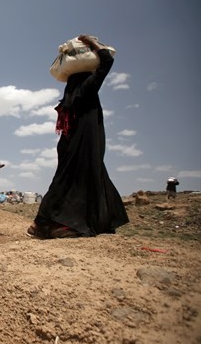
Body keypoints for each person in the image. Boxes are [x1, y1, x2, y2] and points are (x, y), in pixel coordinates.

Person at [28, 35, 129, 239]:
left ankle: (43, 224)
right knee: (82, 180)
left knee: (64, 180)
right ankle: (64, 224)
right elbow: (107, 61)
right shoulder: (87, 89)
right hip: (85, 144)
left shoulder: (69, 99)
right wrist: (93, 44)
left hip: (69, 145)